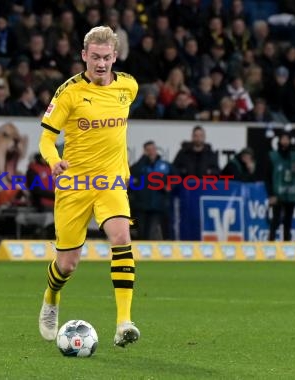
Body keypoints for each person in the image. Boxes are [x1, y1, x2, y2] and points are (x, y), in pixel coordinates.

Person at [37, 26, 140, 348]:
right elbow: (46, 137)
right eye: (94, 57)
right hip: (74, 184)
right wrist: (54, 160)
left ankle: (124, 322)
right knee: (67, 264)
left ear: (115, 56)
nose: (100, 64)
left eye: (106, 58)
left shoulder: (129, 87)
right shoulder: (68, 92)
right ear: (84, 56)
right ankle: (51, 296)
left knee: (121, 236)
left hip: (110, 181)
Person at [129, 141, 173, 240]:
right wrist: (143, 158)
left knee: (152, 234)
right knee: (140, 233)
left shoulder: (164, 165)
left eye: (153, 149)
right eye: (148, 150)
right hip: (141, 207)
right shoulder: (140, 165)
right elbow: (131, 173)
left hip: (157, 207)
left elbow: (176, 177)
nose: (152, 152)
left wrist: (170, 186)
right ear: (145, 151)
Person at [265, 129, 295, 241]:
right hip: (277, 194)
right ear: (279, 140)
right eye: (283, 139)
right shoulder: (273, 157)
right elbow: (267, 177)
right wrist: (271, 194)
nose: (285, 141)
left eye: (287, 139)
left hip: (291, 194)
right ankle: (270, 243)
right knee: (275, 220)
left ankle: (286, 245)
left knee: (288, 222)